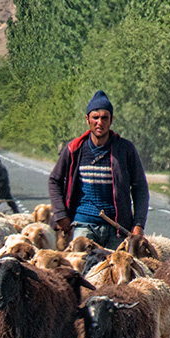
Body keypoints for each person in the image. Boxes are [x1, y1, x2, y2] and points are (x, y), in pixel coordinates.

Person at [48, 90, 148, 249]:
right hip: (84, 224)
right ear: (87, 119)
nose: (99, 122)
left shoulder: (125, 149)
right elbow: (55, 180)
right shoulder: (75, 149)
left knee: (120, 271)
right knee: (79, 269)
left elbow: (140, 188)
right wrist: (61, 215)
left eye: (104, 118)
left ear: (111, 120)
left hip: (117, 228)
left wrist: (138, 224)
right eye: (95, 117)